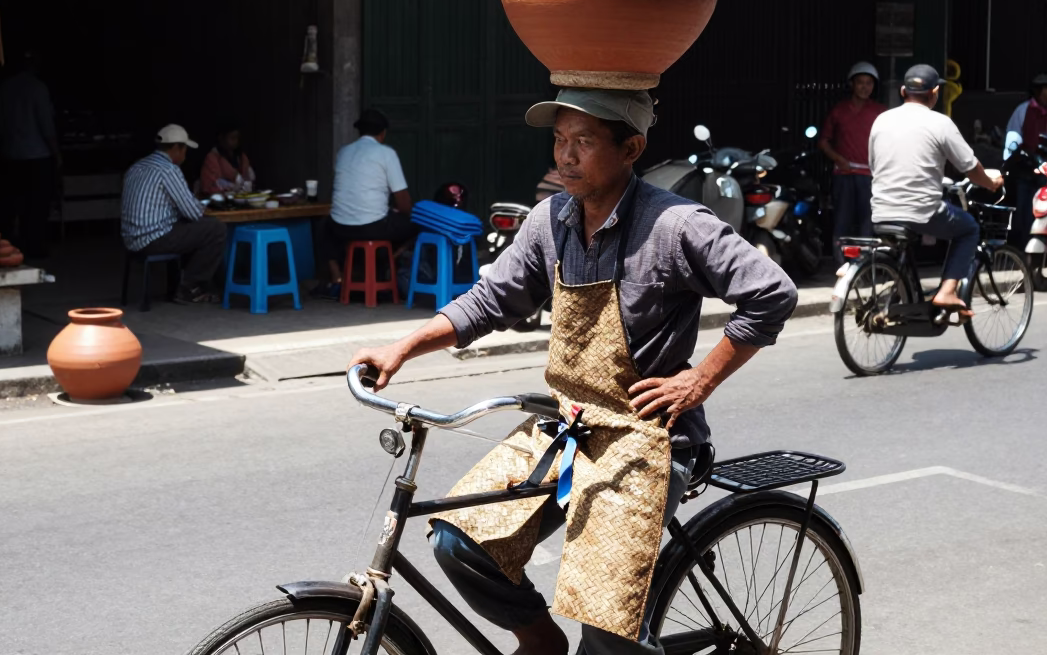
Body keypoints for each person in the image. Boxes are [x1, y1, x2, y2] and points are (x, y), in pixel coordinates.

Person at [349, 88, 797, 655]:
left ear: (630, 148)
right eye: (559, 141)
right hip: (569, 425)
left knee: (605, 622)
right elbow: (490, 301)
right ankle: (539, 642)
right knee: (461, 540)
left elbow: (771, 292)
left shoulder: (677, 224)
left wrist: (698, 379)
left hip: (649, 439)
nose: (565, 157)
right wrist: (403, 347)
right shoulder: (550, 219)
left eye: (583, 142)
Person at [869, 64, 1004, 315]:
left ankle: (908, 293)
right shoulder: (940, 123)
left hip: (880, 209)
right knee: (969, 229)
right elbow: (970, 168)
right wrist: (991, 183)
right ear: (934, 92)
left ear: (902, 91)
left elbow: (874, 165)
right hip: (922, 211)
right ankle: (947, 291)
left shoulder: (881, 120)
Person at [121, 124, 226, 305]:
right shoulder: (168, 170)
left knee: (190, 229)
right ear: (177, 148)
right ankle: (189, 287)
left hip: (132, 240)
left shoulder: (137, 167)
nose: (185, 154)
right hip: (154, 239)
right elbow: (193, 213)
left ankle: (184, 282)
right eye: (184, 149)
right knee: (215, 229)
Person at [319, 109, 414, 299]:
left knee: (324, 227)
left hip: (340, 228)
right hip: (374, 227)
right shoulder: (386, 153)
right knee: (417, 226)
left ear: (359, 132)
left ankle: (337, 278)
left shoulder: (344, 152)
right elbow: (404, 203)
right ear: (383, 133)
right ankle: (388, 265)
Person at [0, 51, 60, 258]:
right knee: (36, 206)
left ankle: (9, 246)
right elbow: (46, 125)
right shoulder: (38, 88)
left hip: (11, 154)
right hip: (36, 155)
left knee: (12, 204)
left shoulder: (5, 88)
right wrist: (56, 153)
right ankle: (34, 245)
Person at [819, 61, 886, 264]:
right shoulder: (839, 111)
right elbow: (823, 142)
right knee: (842, 221)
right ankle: (842, 264)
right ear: (852, 84)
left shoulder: (880, 112)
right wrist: (839, 159)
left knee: (867, 222)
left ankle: (863, 265)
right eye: (860, 83)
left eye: (869, 83)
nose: (865, 87)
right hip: (843, 176)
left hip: (870, 177)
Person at [1002, 74, 1047, 242]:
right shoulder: (1023, 110)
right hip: (1025, 169)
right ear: (1038, 91)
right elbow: (1012, 139)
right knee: (1023, 209)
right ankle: (1021, 247)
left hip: (1046, 171)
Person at [200, 125, 256, 197]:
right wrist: (231, 186)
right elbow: (209, 186)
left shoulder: (241, 157)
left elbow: (248, 178)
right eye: (232, 138)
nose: (235, 141)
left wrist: (248, 183)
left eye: (237, 138)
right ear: (221, 138)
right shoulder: (212, 158)